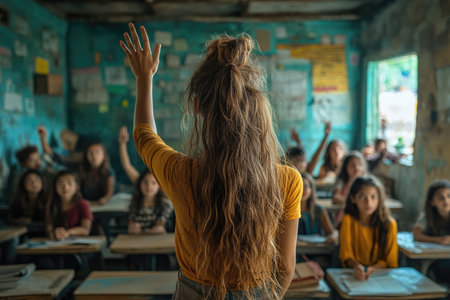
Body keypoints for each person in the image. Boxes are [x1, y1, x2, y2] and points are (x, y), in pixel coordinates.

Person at [120, 23, 301, 299]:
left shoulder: (181, 173)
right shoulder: (288, 180)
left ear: (196, 106)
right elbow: (286, 268)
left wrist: (144, 77)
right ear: (255, 106)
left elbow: (144, 135)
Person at [339, 176, 398, 280]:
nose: (368, 202)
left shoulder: (389, 225)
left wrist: (373, 268)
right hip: (354, 273)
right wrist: (357, 266)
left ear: (380, 199)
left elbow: (390, 261)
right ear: (353, 198)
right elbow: (346, 255)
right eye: (362, 197)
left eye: (373, 197)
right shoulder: (348, 221)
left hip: (381, 276)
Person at [413, 179, 450, 283]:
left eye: (449, 196)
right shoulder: (426, 216)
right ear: (432, 201)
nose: (446, 200)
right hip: (435, 260)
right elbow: (416, 235)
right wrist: (439, 240)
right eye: (440, 197)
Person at [46, 170, 93, 240]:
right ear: (55, 187)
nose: (65, 188)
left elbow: (86, 230)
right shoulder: (51, 204)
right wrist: (54, 233)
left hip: (80, 244)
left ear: (77, 186)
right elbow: (48, 228)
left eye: (70, 183)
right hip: (58, 243)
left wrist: (68, 232)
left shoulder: (83, 204)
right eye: (61, 184)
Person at [128, 170, 173, 234]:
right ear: (139, 183)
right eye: (145, 182)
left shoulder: (166, 203)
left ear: (159, 185)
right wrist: (134, 227)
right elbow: (131, 226)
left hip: (159, 240)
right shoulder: (134, 202)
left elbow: (160, 227)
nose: (149, 186)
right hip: (138, 240)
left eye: (153, 183)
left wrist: (143, 232)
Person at [298, 172, 337, 243]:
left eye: (306, 186)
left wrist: (331, 238)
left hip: (315, 251)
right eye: (299, 186)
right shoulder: (288, 210)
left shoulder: (319, 210)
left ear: (311, 189)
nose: (303, 189)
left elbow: (332, 233)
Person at [7, 170, 48, 235]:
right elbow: (10, 219)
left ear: (42, 181)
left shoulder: (48, 200)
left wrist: (30, 222)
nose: (34, 183)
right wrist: (20, 220)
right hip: (22, 234)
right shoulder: (18, 200)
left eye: (37, 179)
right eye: (29, 181)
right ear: (23, 184)